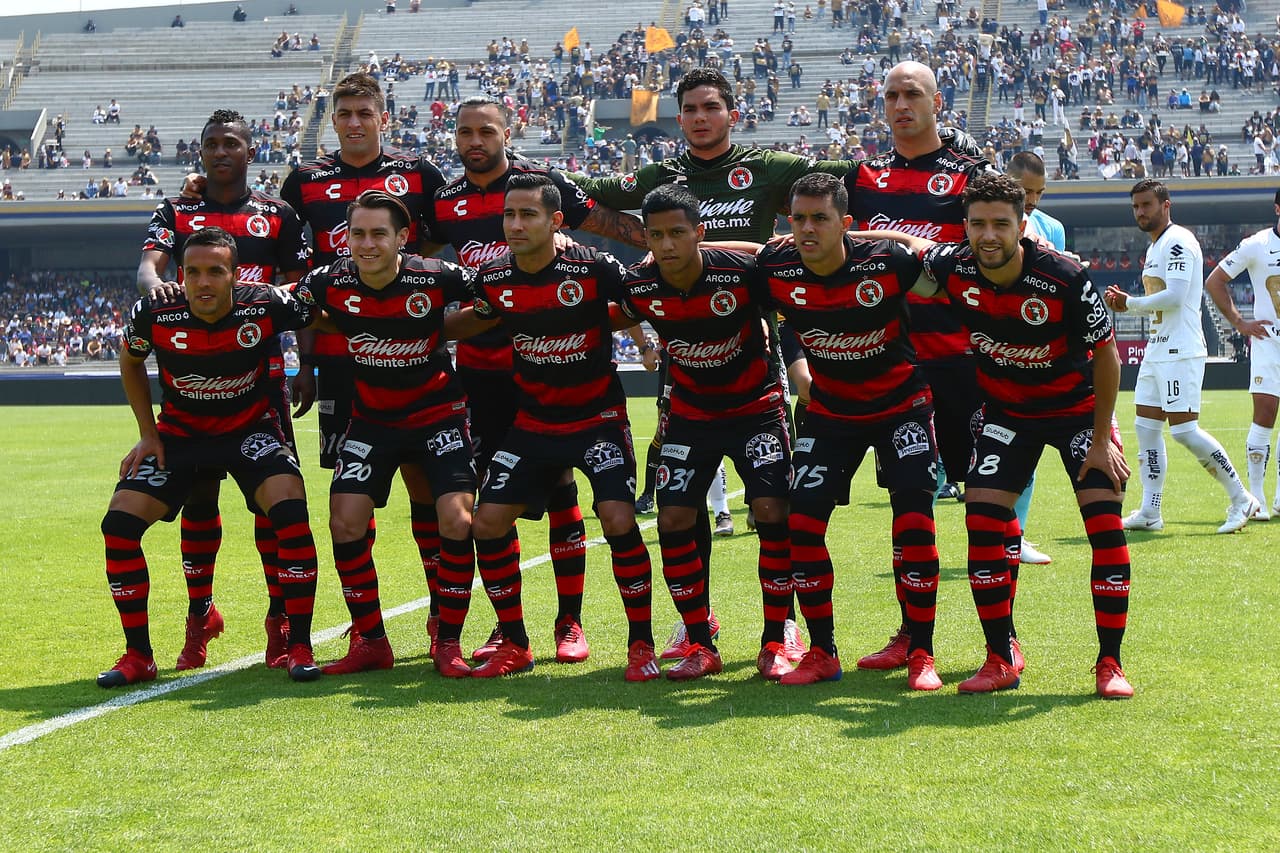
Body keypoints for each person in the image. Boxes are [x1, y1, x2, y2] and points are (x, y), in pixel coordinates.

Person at [422, 95, 646, 664]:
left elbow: (612, 229)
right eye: (465, 131)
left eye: (486, 131)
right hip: (485, 374)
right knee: (496, 506)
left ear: (507, 131)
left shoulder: (542, 184)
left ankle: (569, 621)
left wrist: (685, 245)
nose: (475, 141)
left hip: (560, 375)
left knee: (565, 492)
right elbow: (405, 252)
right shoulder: (444, 201)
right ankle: (507, 630)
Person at [908, 172, 1134, 699]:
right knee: (982, 519)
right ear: (964, 226)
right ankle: (1000, 655)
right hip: (1008, 413)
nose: (988, 235)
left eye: (1000, 224)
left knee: (1104, 524)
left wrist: (1102, 441)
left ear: (1021, 224)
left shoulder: (1064, 275)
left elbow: (1107, 357)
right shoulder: (954, 265)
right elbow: (912, 252)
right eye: (977, 223)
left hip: (1078, 413)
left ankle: (1110, 662)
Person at [453, 174, 658, 681]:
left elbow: (637, 297)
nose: (516, 224)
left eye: (528, 215)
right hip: (534, 422)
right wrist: (394, 326)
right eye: (509, 215)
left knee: (616, 520)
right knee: (487, 523)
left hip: (597, 419)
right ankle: (516, 643)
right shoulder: (494, 277)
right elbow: (470, 318)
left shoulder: (593, 267)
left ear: (556, 221)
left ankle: (640, 644)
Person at [99, 227, 322, 687]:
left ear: (234, 275)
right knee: (118, 526)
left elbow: (318, 311)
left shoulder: (265, 303)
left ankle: (297, 642)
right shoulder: (155, 311)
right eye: (193, 272)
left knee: (290, 511)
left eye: (215, 271)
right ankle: (138, 655)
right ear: (180, 275)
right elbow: (129, 360)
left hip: (250, 430)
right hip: (181, 434)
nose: (203, 282)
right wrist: (147, 434)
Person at [277, 73, 449, 651]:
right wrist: (305, 359)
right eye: (344, 112)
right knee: (353, 493)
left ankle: (438, 619)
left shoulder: (420, 175)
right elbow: (291, 267)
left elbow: (444, 244)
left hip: (412, 356)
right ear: (332, 119)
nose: (354, 122)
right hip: (340, 357)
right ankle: (366, 630)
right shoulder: (304, 181)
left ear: (384, 118)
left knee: (427, 486)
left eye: (364, 112)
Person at [138, 109, 311, 671]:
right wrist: (160, 290)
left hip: (259, 384)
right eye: (210, 143)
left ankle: (280, 618)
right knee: (196, 497)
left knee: (272, 504)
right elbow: (149, 266)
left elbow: (300, 286)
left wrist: (305, 361)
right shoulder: (178, 208)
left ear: (249, 150)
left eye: (230, 143)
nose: (218, 152)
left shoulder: (277, 214)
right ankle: (199, 613)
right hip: (191, 382)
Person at [758, 173, 943, 689]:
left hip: (901, 405)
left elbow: (948, 279)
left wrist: (902, 240)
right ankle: (823, 652)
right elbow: (733, 257)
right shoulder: (775, 266)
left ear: (846, 224)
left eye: (821, 218)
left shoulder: (888, 263)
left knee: (913, 520)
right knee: (802, 525)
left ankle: (920, 652)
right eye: (798, 218)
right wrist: (797, 365)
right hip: (830, 411)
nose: (807, 228)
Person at [297, 191, 480, 677]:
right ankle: (372, 643)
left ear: (402, 238)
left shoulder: (437, 276)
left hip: (438, 413)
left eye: (379, 234)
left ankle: (448, 639)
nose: (367, 243)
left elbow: (494, 298)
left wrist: (440, 329)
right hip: (372, 420)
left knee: (457, 521)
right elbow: (292, 311)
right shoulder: (327, 280)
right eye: (357, 233)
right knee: (345, 521)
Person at [616, 184, 794, 681]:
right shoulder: (640, 283)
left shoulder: (738, 272)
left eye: (678, 233)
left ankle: (778, 637)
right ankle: (699, 639)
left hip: (756, 407)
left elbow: (772, 256)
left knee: (771, 512)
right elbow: (608, 309)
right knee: (673, 518)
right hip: (690, 414)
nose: (667, 245)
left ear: (700, 232)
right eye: (656, 235)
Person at [1105, 180, 1258, 534]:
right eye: (1136, 207)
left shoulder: (1179, 241)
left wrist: (1131, 303)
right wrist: (1128, 306)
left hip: (1180, 350)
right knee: (1145, 428)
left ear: (1166, 206)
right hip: (1157, 349)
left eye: (1147, 205)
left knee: (1185, 431)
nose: (1141, 212)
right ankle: (1150, 510)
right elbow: (1159, 302)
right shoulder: (1157, 246)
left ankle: (1241, 498)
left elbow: (1174, 297)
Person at [1203, 188, 1280, 520]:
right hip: (1268, 340)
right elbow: (1215, 281)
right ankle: (1257, 497)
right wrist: (1239, 322)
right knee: (1265, 411)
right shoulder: (1257, 244)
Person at [1003, 150, 1063, 565]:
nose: (1034, 200)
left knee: (1029, 448)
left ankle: (1016, 536)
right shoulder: (987, 221)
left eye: (1040, 192)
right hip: (993, 347)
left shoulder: (1052, 228)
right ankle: (1000, 533)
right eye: (1026, 191)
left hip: (1037, 350)